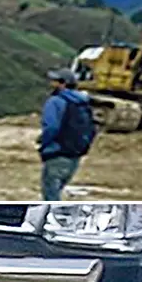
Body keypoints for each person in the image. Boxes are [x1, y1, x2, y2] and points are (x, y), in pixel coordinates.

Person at [38, 68, 97, 201]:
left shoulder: (55, 101)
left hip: (57, 152)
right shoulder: (83, 102)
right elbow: (92, 129)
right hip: (75, 155)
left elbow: (51, 127)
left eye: (55, 81)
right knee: (57, 190)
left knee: (50, 195)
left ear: (63, 84)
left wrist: (43, 144)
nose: (51, 83)